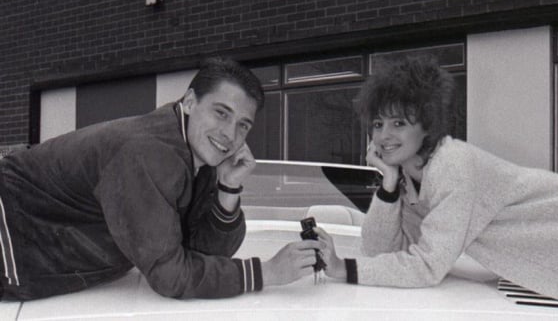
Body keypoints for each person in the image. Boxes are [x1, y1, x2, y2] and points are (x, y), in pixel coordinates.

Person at [315, 55, 558, 316]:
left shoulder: (452, 166)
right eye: (378, 124)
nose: (384, 136)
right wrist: (387, 184)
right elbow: (379, 253)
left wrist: (344, 267)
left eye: (399, 123)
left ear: (426, 126)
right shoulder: (409, 180)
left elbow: (427, 266)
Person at [0, 57, 321, 300]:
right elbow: (170, 274)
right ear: (190, 102)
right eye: (221, 113)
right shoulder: (146, 152)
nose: (230, 134)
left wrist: (229, 187)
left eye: (243, 125)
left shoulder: (199, 152)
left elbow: (204, 253)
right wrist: (265, 272)